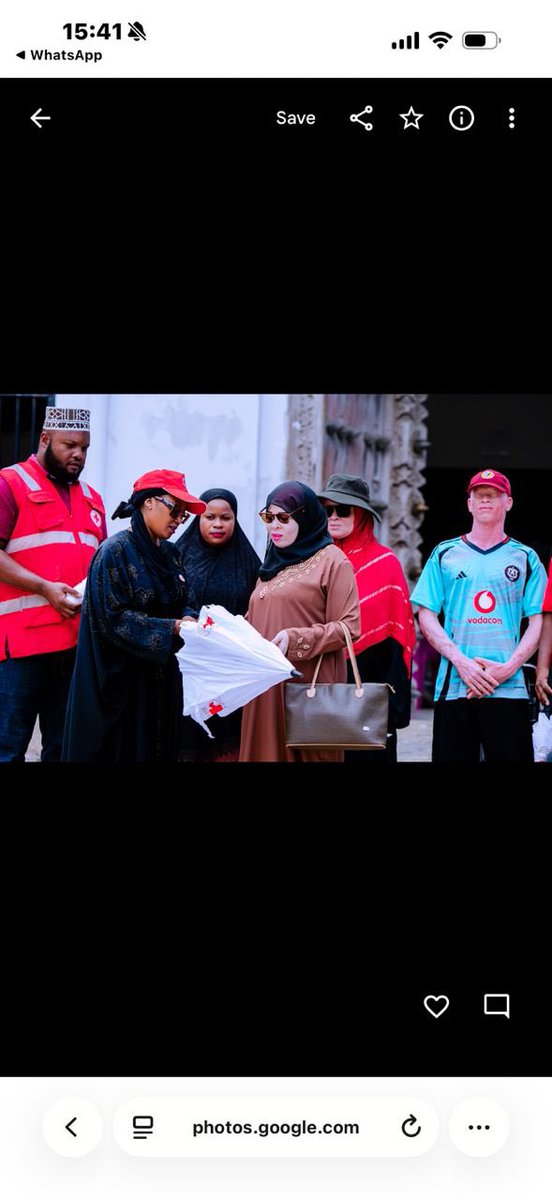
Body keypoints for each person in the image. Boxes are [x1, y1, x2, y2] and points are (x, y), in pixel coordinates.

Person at [62, 470, 206, 763]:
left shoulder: (171, 554)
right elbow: (112, 620)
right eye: (175, 510)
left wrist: (189, 618)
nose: (179, 520)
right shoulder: (113, 552)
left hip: (161, 684)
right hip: (120, 688)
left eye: (184, 515)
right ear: (149, 502)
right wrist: (172, 628)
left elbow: (186, 598)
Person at [411, 469, 546, 763]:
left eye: (494, 494)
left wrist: (510, 667)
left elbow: (538, 621)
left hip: (508, 689)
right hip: (455, 685)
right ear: (469, 503)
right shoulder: (445, 553)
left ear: (508, 502)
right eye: (479, 495)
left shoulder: (525, 557)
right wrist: (461, 662)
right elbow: (427, 614)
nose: (485, 500)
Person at [0, 406, 106, 762]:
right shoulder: (10, 483)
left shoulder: (93, 498)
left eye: (85, 448)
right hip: (20, 650)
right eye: (69, 445)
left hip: (73, 648)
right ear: (45, 439)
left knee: (64, 749)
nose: (78, 454)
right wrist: (45, 587)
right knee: (8, 747)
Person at [239, 480, 361, 762]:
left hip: (307, 685)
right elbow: (258, 618)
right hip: (265, 686)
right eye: (268, 518)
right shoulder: (272, 564)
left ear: (305, 518)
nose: (274, 526)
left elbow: (348, 626)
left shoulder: (333, 561)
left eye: (284, 518)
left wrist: (296, 640)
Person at [317, 473, 416, 763]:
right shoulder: (313, 561)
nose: (333, 517)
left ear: (360, 515)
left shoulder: (386, 563)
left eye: (343, 510)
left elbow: (398, 634)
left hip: (370, 690)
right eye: (327, 510)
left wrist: (391, 706)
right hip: (320, 684)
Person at [176, 488, 261, 761]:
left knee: (226, 742)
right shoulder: (177, 557)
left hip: (230, 671)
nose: (217, 524)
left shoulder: (249, 562)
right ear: (197, 519)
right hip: (185, 668)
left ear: (235, 520)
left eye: (225, 518)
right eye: (209, 517)